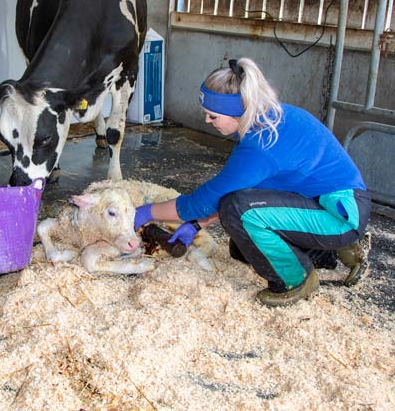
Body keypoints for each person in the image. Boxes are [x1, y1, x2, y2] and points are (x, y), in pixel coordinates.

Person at [134, 58, 371, 307]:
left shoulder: (261, 145)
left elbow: (203, 202)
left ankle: (296, 280)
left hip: (339, 215)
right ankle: (329, 252)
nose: (207, 121)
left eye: (213, 115)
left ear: (237, 113)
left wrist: (147, 212)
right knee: (243, 247)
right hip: (321, 203)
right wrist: (197, 225)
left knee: (237, 212)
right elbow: (245, 190)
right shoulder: (269, 119)